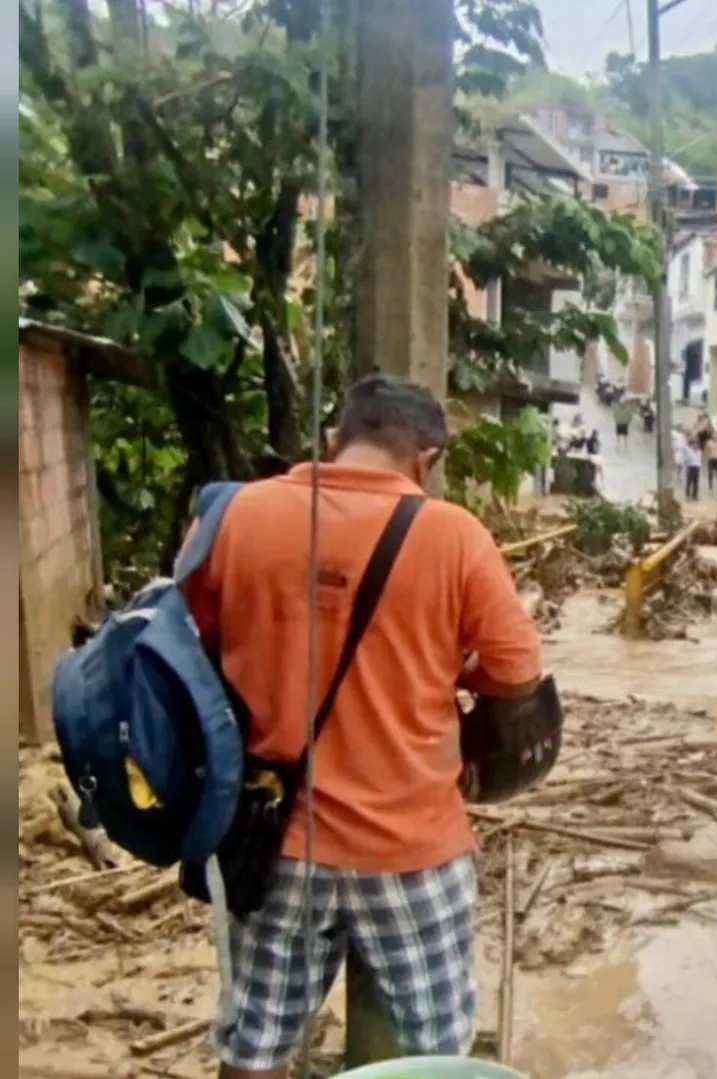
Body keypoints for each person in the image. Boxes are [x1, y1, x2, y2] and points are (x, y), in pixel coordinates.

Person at [185, 374, 543, 1079]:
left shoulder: (232, 518)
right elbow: (520, 671)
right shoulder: (454, 536)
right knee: (436, 1052)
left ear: (332, 442)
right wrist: (449, 667)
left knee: (255, 1044)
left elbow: (187, 646)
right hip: (413, 848)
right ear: (427, 459)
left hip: (275, 840)